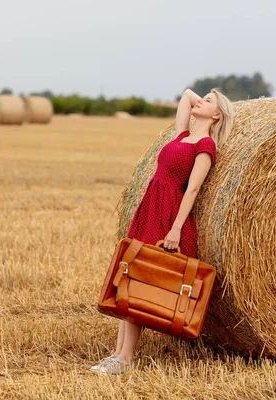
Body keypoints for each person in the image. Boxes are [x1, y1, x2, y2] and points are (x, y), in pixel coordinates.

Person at [91, 87, 235, 375]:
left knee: (141, 281)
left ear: (217, 115)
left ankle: (125, 359)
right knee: (130, 276)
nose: (200, 101)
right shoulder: (183, 136)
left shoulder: (205, 146)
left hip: (169, 213)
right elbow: (186, 95)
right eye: (203, 98)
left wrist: (175, 229)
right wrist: (204, 103)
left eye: (209, 102)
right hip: (150, 206)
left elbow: (192, 189)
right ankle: (117, 354)